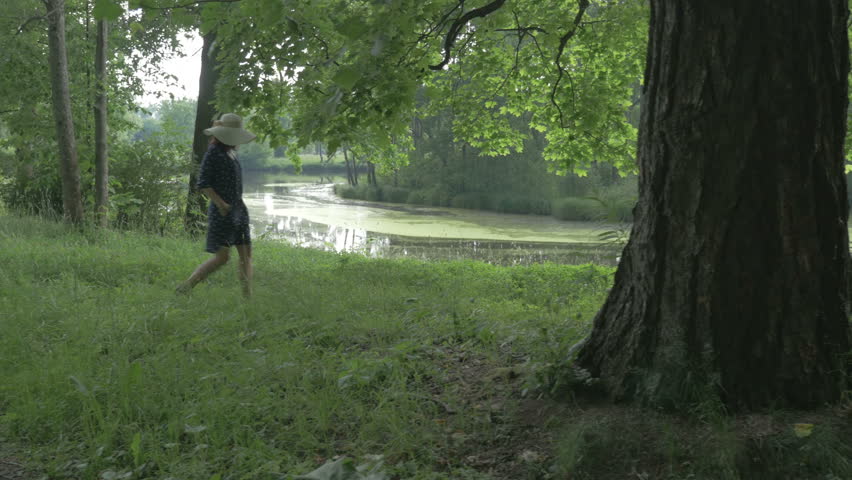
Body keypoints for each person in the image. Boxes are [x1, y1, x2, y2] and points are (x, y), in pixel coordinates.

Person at [177, 113, 256, 297]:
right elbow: (204, 184)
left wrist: (236, 207)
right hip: (222, 212)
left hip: (239, 210)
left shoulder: (231, 153)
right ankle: (186, 287)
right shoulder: (213, 153)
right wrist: (221, 204)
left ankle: (248, 297)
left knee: (246, 255)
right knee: (222, 258)